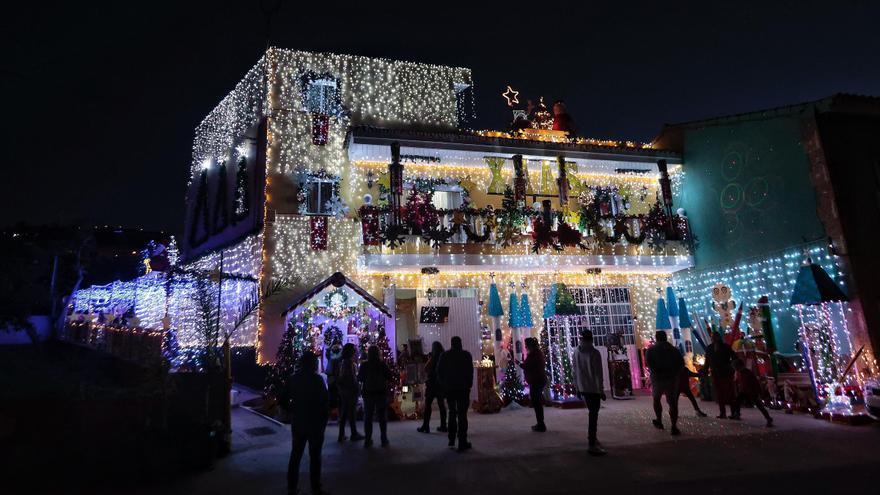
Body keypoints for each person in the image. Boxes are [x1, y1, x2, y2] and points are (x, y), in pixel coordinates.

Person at [285, 352, 329, 495]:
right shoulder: (318, 380)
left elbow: (282, 397)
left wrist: (291, 409)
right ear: (312, 364)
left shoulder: (293, 379)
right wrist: (323, 420)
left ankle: (292, 487)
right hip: (315, 422)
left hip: (299, 421)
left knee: (296, 454)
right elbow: (324, 401)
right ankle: (315, 487)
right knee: (315, 456)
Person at [572, 329, 607, 456]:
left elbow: (574, 370)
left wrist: (577, 387)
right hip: (593, 388)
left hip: (582, 387)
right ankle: (591, 443)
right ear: (591, 338)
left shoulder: (576, 352)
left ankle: (592, 438)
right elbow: (598, 373)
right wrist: (601, 390)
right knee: (593, 415)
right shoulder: (594, 353)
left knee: (592, 413)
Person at [437, 336, 474, 452]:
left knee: (452, 412)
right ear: (460, 343)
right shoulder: (466, 355)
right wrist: (469, 384)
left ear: (451, 344)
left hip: (450, 389)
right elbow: (470, 371)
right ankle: (462, 441)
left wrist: (444, 385)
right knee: (462, 415)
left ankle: (451, 439)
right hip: (463, 389)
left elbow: (439, 372)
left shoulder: (444, 356)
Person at [646, 331, 685, 435]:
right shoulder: (674, 350)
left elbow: (649, 363)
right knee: (672, 403)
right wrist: (675, 373)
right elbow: (681, 363)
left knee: (656, 399)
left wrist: (656, 372)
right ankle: (673, 426)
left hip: (657, 378)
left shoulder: (651, 350)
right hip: (671, 378)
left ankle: (659, 420)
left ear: (657, 338)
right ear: (666, 338)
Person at [357, 345, 393, 447]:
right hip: (381, 393)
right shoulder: (382, 364)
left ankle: (368, 439)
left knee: (368, 416)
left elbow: (359, 378)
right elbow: (389, 376)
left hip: (368, 393)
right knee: (382, 416)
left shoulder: (364, 365)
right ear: (378, 353)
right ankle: (383, 438)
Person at [732, 359, 774, 427]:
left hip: (751, 392)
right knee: (738, 400)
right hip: (745, 391)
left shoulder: (747, 373)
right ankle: (737, 414)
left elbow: (754, 383)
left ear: (738, 366)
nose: (735, 369)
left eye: (735, 367)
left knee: (759, 405)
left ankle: (768, 418)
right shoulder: (742, 372)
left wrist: (758, 392)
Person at [705, 331, 737, 418]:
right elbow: (707, 362)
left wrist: (730, 366)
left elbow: (734, 357)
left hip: (725, 373)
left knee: (729, 393)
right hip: (717, 373)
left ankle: (732, 412)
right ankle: (724, 412)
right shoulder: (710, 348)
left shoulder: (725, 347)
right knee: (721, 393)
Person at [418, 341, 448, 433]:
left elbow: (426, 368)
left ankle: (426, 426)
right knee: (441, 405)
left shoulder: (433, 357)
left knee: (428, 405)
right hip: (440, 384)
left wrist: (430, 358)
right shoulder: (444, 357)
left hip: (432, 384)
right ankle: (443, 425)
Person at [336, 343, 364, 442]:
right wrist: (356, 387)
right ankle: (353, 433)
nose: (355, 351)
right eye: (353, 349)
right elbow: (351, 377)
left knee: (344, 412)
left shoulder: (343, 362)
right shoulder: (349, 363)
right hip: (350, 390)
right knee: (351, 412)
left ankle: (342, 434)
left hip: (344, 390)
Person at [519, 337, 547, 432]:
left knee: (537, 402)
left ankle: (541, 424)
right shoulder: (536, 354)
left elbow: (528, 366)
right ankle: (540, 423)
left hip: (537, 380)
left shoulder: (534, 355)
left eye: (527, 345)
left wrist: (519, 363)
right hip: (537, 380)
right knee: (537, 402)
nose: (526, 347)